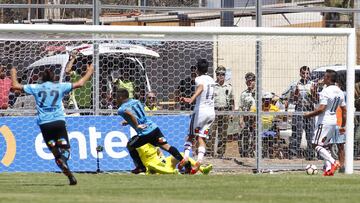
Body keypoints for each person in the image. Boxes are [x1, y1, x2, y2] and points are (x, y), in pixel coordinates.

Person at [10, 64, 94, 185]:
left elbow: (16, 86)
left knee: (55, 151)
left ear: (41, 78)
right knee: (65, 149)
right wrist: (90, 71)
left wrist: (13, 71)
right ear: (53, 78)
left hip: (45, 124)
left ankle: (70, 176)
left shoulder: (36, 87)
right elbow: (80, 83)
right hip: (58, 122)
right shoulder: (59, 86)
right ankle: (64, 161)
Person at [115, 88, 190, 174]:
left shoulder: (121, 109)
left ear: (121, 97)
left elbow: (129, 113)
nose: (116, 98)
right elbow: (137, 115)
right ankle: (187, 165)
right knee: (167, 147)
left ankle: (140, 167)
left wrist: (136, 125)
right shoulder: (136, 101)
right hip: (154, 128)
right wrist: (128, 122)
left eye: (117, 96)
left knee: (130, 145)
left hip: (145, 133)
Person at [304, 69, 345, 176]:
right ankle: (328, 170)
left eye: (325, 76)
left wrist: (309, 115)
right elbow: (344, 110)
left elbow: (321, 109)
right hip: (333, 121)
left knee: (315, 144)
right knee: (325, 145)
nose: (323, 78)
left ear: (328, 78)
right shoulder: (340, 91)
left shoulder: (326, 91)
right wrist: (343, 125)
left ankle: (333, 162)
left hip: (324, 122)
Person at [180, 59, 215, 174]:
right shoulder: (211, 79)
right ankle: (199, 160)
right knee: (201, 138)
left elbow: (200, 87)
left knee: (190, 136)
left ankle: (185, 158)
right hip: (211, 113)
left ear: (197, 69)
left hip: (201, 112)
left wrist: (191, 98)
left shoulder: (198, 79)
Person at [282, 66, 317, 160]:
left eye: (307, 73)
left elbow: (316, 100)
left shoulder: (313, 84)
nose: (305, 75)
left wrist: (313, 92)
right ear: (300, 74)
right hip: (299, 109)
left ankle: (310, 154)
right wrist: (296, 93)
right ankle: (293, 153)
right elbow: (292, 100)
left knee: (311, 133)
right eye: (303, 73)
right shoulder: (295, 84)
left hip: (310, 109)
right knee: (297, 133)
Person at [136, 143, 212, 175]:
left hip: (164, 163)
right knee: (152, 166)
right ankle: (172, 172)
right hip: (156, 168)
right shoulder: (138, 148)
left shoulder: (151, 143)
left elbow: (159, 151)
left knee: (182, 155)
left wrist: (162, 158)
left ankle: (202, 169)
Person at [208, 66, 234, 158]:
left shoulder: (229, 87)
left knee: (223, 134)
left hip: (225, 111)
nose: (221, 76)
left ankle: (220, 153)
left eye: (223, 74)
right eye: (219, 74)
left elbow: (231, 101)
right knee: (211, 133)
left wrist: (231, 113)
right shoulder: (212, 86)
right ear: (216, 75)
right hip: (214, 111)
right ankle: (210, 153)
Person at [238, 72, 256, 157]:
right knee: (245, 136)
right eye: (248, 81)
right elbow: (241, 107)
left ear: (254, 81)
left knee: (255, 138)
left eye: (251, 81)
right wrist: (241, 119)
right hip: (246, 119)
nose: (249, 82)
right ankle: (245, 155)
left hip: (256, 119)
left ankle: (253, 155)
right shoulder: (243, 94)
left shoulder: (259, 93)